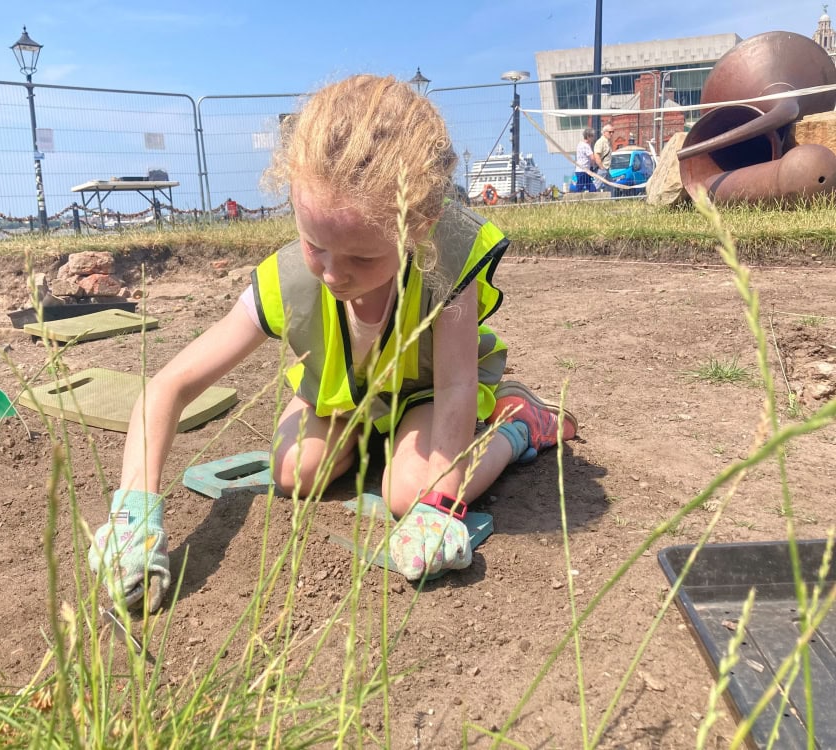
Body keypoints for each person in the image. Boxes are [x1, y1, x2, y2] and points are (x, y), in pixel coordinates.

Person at [88, 74, 578, 612]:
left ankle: (517, 425)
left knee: (408, 494)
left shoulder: (449, 257)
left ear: (419, 226)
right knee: (295, 472)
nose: (331, 274)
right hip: (344, 394)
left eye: (363, 258)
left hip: (427, 391)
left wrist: (440, 505)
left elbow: (457, 383)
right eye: (314, 244)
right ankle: (370, 443)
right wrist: (134, 510)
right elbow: (169, 387)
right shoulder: (289, 279)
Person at [573, 128, 598, 193]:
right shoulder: (586, 146)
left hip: (579, 169)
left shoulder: (580, 144)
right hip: (584, 170)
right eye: (592, 136)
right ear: (588, 136)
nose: (593, 138)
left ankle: (594, 197)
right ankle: (575, 200)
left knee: (589, 186)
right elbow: (592, 157)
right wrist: (593, 166)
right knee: (580, 187)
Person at [593, 124, 614, 191]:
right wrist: (601, 167)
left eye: (613, 132)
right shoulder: (600, 142)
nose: (611, 134)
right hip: (602, 169)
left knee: (611, 187)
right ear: (604, 132)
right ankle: (593, 200)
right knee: (596, 187)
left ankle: (611, 200)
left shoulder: (608, 142)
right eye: (610, 132)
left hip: (606, 169)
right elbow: (596, 155)